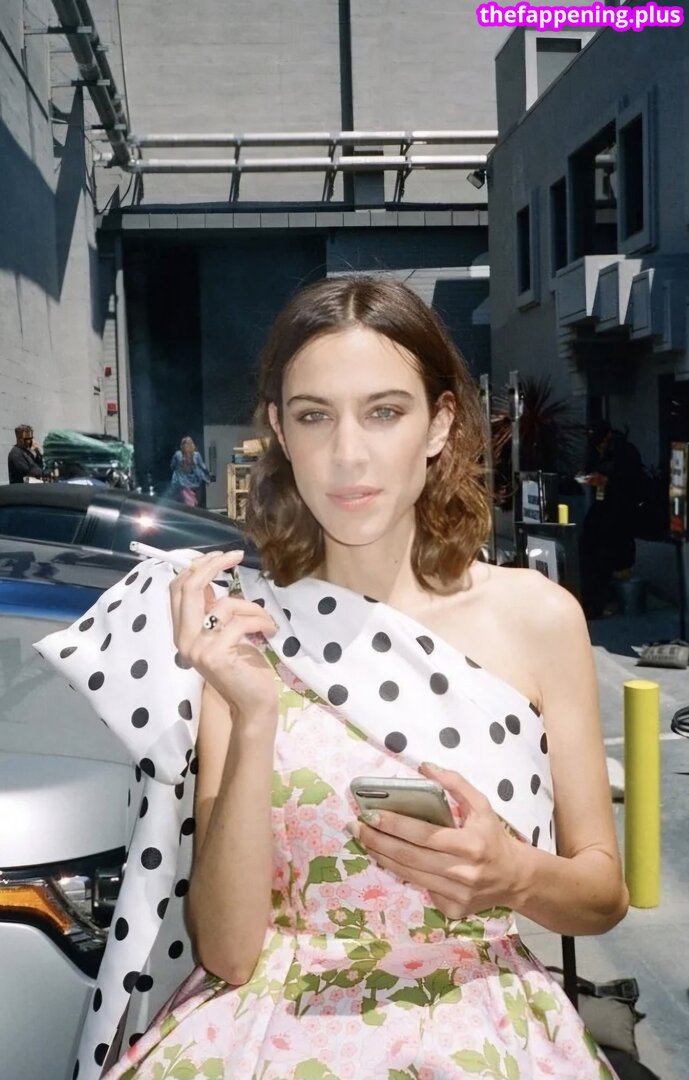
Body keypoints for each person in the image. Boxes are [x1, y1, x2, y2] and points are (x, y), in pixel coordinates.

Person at [88, 278, 625, 1079]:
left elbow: (601, 894)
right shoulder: (243, 630)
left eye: (383, 412)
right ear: (279, 429)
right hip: (266, 1038)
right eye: (314, 416)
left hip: (482, 1031)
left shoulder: (538, 618)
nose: (347, 453)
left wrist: (514, 875)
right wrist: (254, 715)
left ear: (438, 422)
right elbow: (228, 952)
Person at [579, 420, 644, 619]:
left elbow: (633, 481)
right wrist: (589, 478)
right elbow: (590, 468)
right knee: (588, 546)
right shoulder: (598, 451)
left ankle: (599, 603)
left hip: (620, 508)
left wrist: (608, 481)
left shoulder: (624, 451)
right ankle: (592, 601)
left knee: (604, 555)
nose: (599, 446)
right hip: (603, 506)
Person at [169, 436, 212, 507]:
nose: (188, 445)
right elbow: (173, 466)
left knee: (194, 504)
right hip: (183, 484)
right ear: (183, 445)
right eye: (186, 443)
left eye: (190, 443)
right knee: (188, 505)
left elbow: (202, 466)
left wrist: (207, 475)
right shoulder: (178, 455)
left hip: (195, 484)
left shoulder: (196, 455)